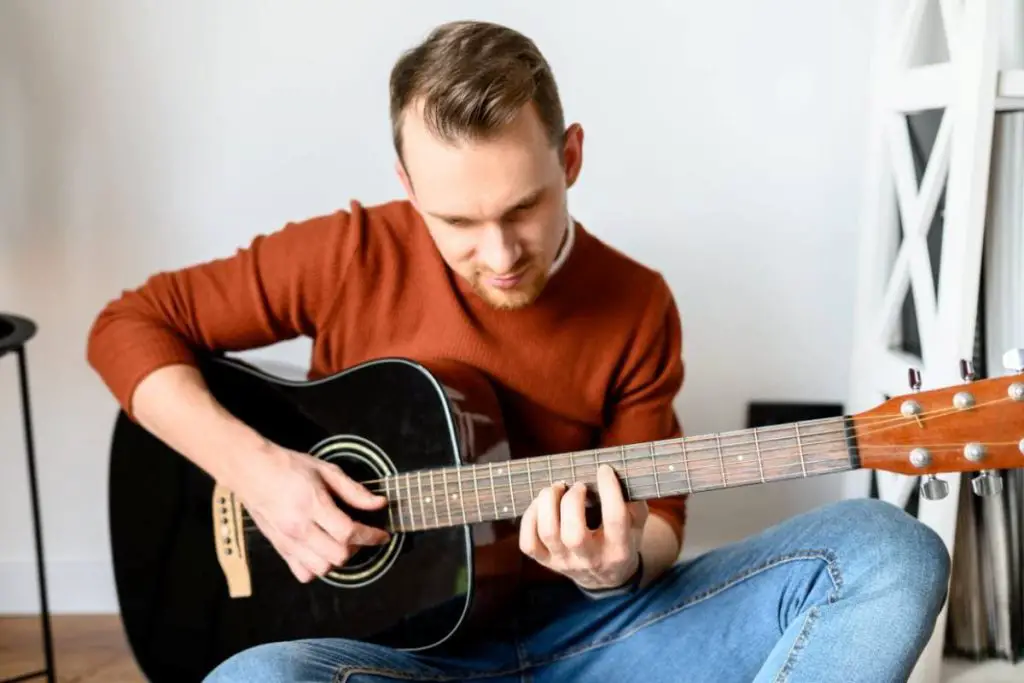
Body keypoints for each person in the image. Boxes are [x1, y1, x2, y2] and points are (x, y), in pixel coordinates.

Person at [87, 19, 951, 683]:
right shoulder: (348, 252)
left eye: (524, 208)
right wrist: (256, 470)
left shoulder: (637, 302)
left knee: (887, 549)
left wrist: (615, 566)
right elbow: (127, 326)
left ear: (569, 157)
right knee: (251, 677)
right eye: (458, 222)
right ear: (408, 186)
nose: (498, 255)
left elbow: (664, 528)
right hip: (391, 656)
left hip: (589, 641)